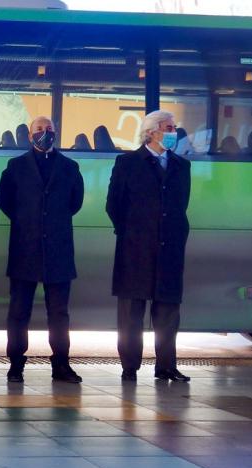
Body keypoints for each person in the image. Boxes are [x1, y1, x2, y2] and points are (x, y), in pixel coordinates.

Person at [0, 116, 84, 384]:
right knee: (18, 310)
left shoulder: (70, 167)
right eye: (39, 129)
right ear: (29, 135)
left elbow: (75, 203)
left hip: (58, 249)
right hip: (25, 247)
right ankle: (15, 365)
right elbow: (5, 201)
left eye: (49, 130)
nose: (44, 133)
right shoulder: (15, 167)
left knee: (59, 312)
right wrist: (29, 222)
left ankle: (61, 365)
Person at [106, 110, 191, 382]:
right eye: (168, 127)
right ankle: (129, 366)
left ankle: (166, 365)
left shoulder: (180, 166)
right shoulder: (127, 163)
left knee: (168, 312)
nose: (173, 132)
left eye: (174, 128)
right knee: (131, 313)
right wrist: (130, 233)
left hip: (169, 250)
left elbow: (180, 206)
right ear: (151, 131)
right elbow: (114, 205)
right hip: (135, 249)